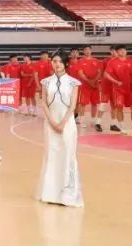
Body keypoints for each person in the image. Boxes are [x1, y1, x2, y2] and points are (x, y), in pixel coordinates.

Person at [38, 52, 83, 208]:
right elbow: (44, 103)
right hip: (50, 123)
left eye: (59, 61)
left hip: (67, 123)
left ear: (66, 64)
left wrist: (62, 123)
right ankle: (50, 193)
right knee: (52, 154)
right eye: (54, 61)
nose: (56, 64)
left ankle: (68, 194)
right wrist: (52, 122)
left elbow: (72, 106)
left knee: (68, 155)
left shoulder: (73, 83)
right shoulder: (45, 82)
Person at [103, 44, 132, 134]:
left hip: (130, 88)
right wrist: (116, 81)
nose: (122, 51)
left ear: (126, 51)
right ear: (117, 52)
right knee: (119, 108)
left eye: (124, 50)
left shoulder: (131, 61)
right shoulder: (112, 62)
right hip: (118, 89)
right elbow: (106, 74)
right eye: (120, 50)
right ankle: (122, 127)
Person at [75, 45, 103, 131]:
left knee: (94, 103)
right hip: (85, 86)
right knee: (82, 104)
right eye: (85, 50)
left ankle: (93, 119)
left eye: (88, 50)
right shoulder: (80, 61)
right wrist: (88, 81)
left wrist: (94, 80)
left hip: (95, 86)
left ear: (91, 51)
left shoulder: (96, 61)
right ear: (83, 51)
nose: (87, 51)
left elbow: (100, 72)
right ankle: (82, 120)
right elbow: (80, 73)